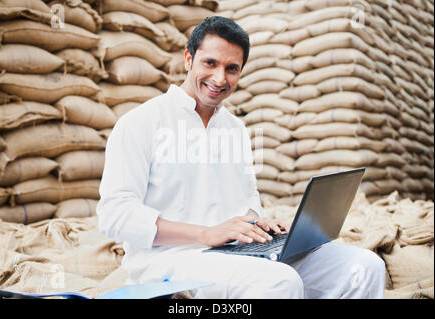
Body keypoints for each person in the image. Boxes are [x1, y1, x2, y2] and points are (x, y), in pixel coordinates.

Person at [97, 16, 385, 299]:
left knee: (365, 266)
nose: (220, 78)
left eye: (231, 68)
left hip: (237, 253)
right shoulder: (140, 122)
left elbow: (247, 201)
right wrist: (206, 234)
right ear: (188, 59)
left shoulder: (235, 129)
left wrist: (257, 223)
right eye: (210, 63)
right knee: (279, 282)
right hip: (171, 260)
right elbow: (115, 216)